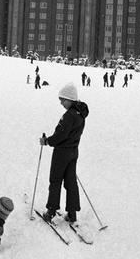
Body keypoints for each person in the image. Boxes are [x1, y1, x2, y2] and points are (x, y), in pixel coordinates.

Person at [40, 82, 89, 223]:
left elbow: (60, 135)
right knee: (71, 181)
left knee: (55, 181)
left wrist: (47, 141)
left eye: (63, 100)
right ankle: (72, 213)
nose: (61, 103)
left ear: (70, 99)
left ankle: (51, 211)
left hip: (62, 153)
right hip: (73, 152)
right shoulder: (81, 114)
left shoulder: (69, 116)